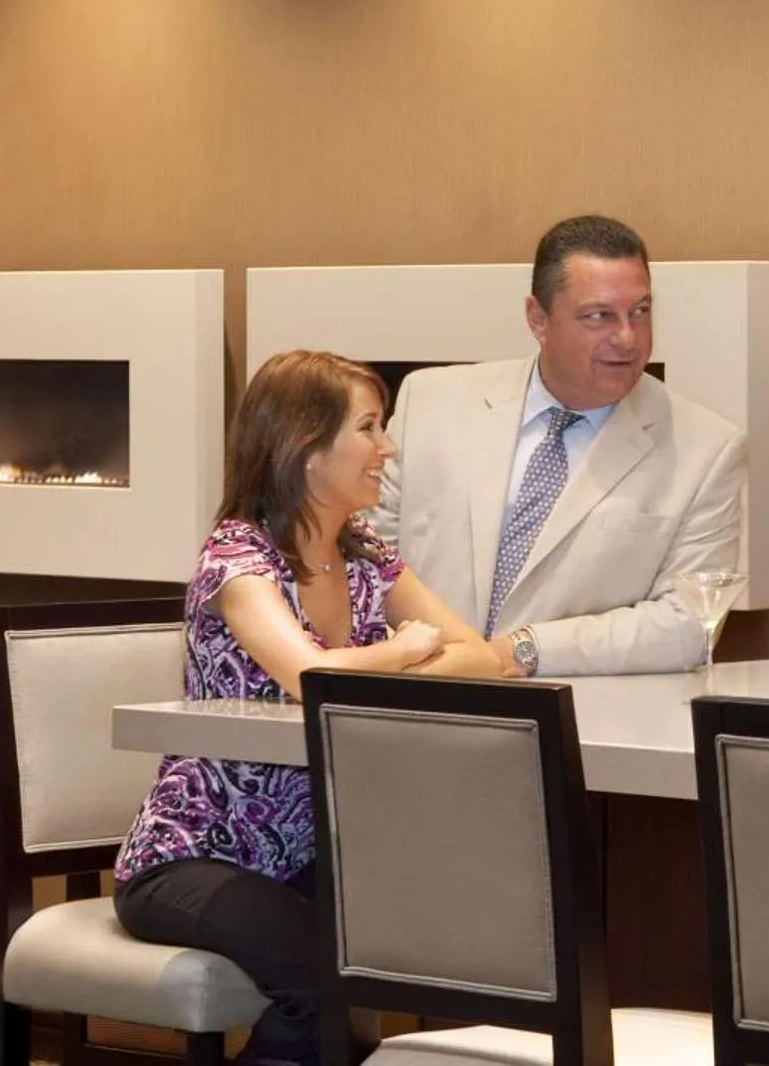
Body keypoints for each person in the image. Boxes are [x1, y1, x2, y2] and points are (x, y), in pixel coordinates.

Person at [114, 349, 499, 1066]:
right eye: (369, 428)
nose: (388, 448)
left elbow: (479, 656)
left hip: (310, 852)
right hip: (196, 856)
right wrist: (400, 652)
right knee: (326, 981)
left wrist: (398, 656)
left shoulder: (366, 554)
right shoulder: (237, 560)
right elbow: (308, 674)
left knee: (400, 957)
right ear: (306, 448)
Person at [370, 214, 746, 677]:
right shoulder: (429, 403)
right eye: (598, 316)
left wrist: (521, 651)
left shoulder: (707, 449)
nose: (627, 337)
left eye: (641, 312)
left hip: (573, 721)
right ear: (537, 319)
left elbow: (687, 623)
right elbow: (367, 561)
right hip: (412, 700)